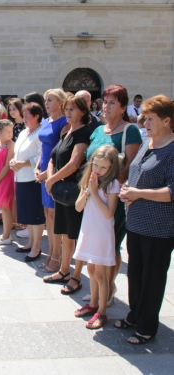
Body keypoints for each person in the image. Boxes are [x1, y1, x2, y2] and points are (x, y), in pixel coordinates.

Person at [117, 94, 174, 345]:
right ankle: (135, 314)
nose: (146, 123)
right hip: (136, 223)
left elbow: (171, 192)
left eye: (151, 119)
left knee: (153, 277)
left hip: (159, 228)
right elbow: (136, 173)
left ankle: (148, 326)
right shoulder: (146, 144)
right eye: (144, 119)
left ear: (167, 121)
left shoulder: (172, 150)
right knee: (136, 274)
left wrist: (137, 193)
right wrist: (128, 186)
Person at [78, 84, 142, 303]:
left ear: (123, 107)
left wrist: (105, 190)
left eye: (113, 102)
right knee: (94, 242)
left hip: (112, 197)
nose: (106, 106)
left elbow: (128, 168)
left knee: (110, 244)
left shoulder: (129, 131)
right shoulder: (97, 130)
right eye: (105, 101)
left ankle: (109, 287)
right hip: (92, 196)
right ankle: (97, 288)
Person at [43, 96, 92, 288]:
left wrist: (52, 180)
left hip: (72, 191)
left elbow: (74, 164)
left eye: (72, 109)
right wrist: (50, 178)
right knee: (64, 234)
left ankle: (76, 276)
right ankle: (64, 270)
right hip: (60, 190)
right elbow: (52, 158)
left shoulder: (84, 133)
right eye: (67, 109)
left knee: (75, 234)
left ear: (83, 112)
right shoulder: (67, 132)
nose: (68, 113)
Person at [73, 146, 120, 329]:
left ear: (111, 168)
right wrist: (87, 191)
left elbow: (109, 213)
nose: (98, 170)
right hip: (88, 229)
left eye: (103, 167)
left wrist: (93, 192)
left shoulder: (112, 184)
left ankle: (102, 311)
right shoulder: (89, 180)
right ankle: (92, 304)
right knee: (91, 269)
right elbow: (78, 207)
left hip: (101, 232)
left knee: (101, 274)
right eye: (96, 165)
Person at [34, 89, 68, 273]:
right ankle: (51, 253)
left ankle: (57, 255)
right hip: (43, 169)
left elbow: (61, 150)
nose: (46, 103)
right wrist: (38, 166)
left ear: (60, 103)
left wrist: (48, 173)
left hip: (54, 172)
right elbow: (43, 148)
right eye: (46, 100)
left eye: (50, 100)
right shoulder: (47, 121)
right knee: (47, 214)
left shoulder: (64, 122)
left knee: (54, 216)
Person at [10, 103, 44, 260]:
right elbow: (18, 151)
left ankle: (37, 247)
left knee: (35, 214)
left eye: (26, 115)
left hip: (32, 179)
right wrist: (13, 161)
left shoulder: (40, 133)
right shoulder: (24, 132)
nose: (23, 118)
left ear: (36, 116)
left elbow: (40, 157)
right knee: (27, 214)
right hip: (21, 178)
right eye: (23, 115)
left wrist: (22, 164)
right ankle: (30, 242)